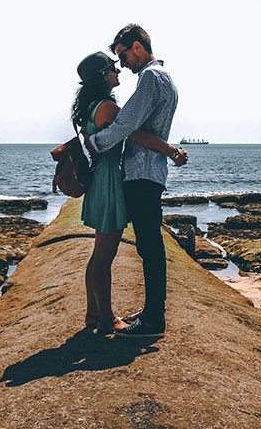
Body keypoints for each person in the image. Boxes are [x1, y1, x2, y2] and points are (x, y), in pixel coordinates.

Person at [73, 51, 185, 335]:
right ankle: (107, 319)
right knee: (104, 255)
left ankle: (93, 314)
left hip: (101, 179)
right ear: (102, 76)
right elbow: (136, 134)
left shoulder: (92, 106)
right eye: (113, 68)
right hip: (110, 181)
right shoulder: (108, 107)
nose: (119, 71)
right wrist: (171, 151)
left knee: (98, 253)